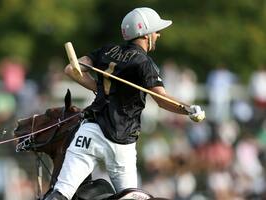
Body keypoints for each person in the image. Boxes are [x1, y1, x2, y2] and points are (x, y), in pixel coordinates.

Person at [44, 7, 205, 200]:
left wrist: (99, 87)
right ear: (146, 35)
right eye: (155, 31)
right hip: (122, 143)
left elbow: (72, 69)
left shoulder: (106, 50)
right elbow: (162, 100)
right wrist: (188, 109)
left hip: (90, 132)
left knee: (60, 194)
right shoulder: (145, 63)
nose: (158, 35)